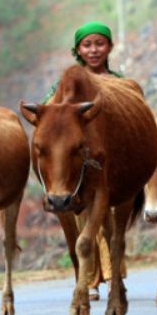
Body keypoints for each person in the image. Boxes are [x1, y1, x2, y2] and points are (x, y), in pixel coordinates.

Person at [44, 21, 122, 300]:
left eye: (99, 43)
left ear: (110, 47)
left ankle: (112, 275)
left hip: (109, 159)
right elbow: (49, 115)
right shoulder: (64, 85)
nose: (93, 50)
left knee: (109, 218)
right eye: (87, 44)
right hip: (75, 163)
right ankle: (88, 279)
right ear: (77, 49)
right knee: (81, 217)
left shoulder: (119, 82)